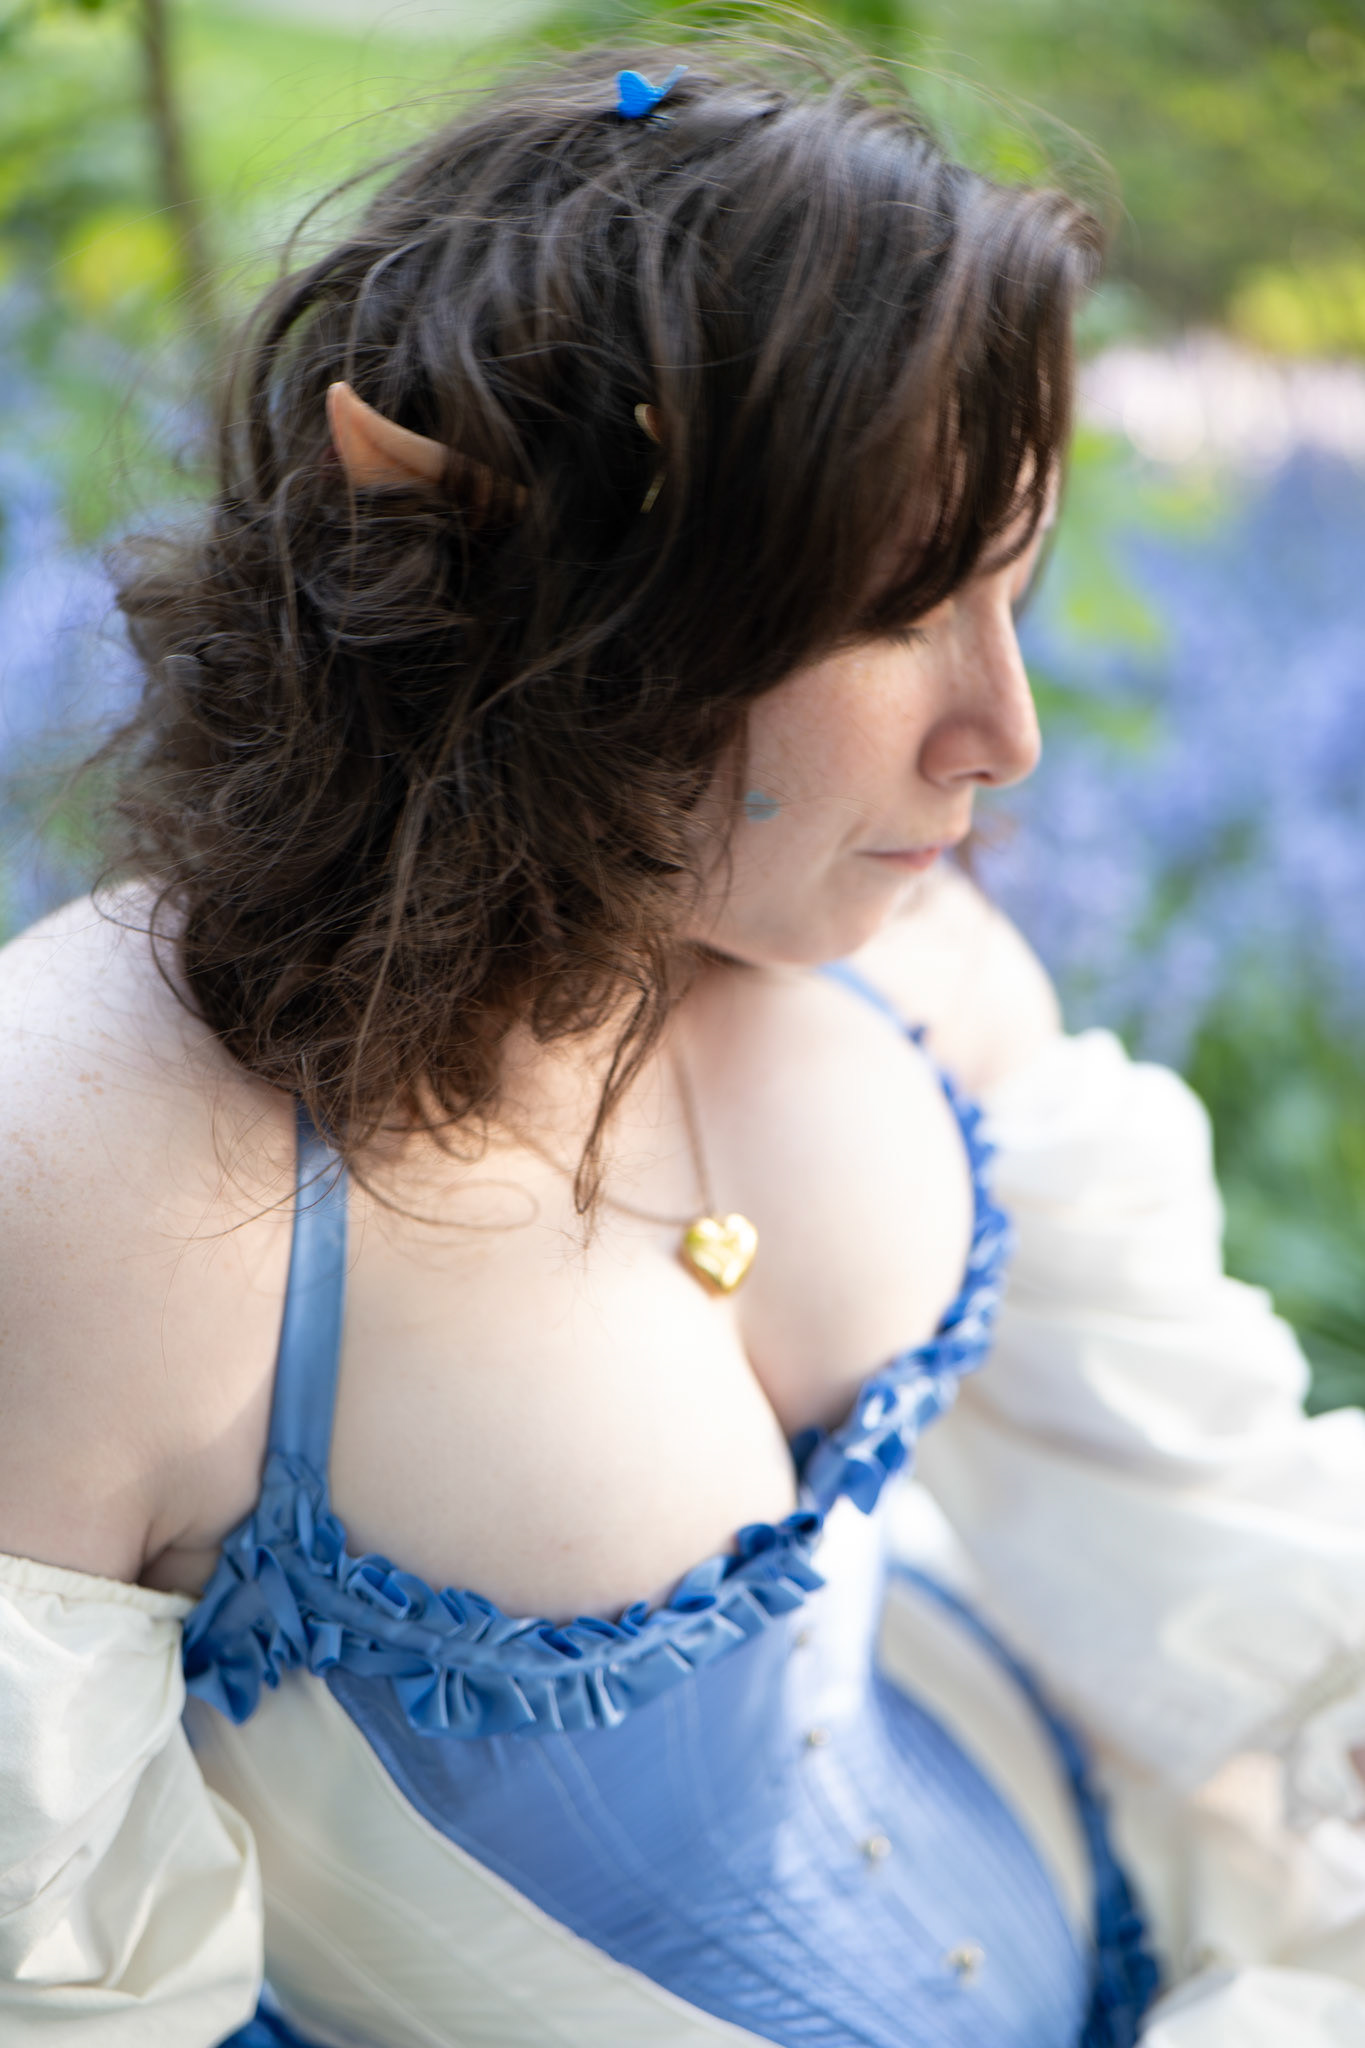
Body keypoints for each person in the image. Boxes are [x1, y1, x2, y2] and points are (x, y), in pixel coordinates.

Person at [4, 35, 1365, 2048]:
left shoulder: (896, 959)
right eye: (900, 610)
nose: (1004, 735)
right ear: (565, 599)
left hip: (1132, 1926)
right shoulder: (104, 1164)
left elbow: (1199, 1528)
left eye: (1014, 589)